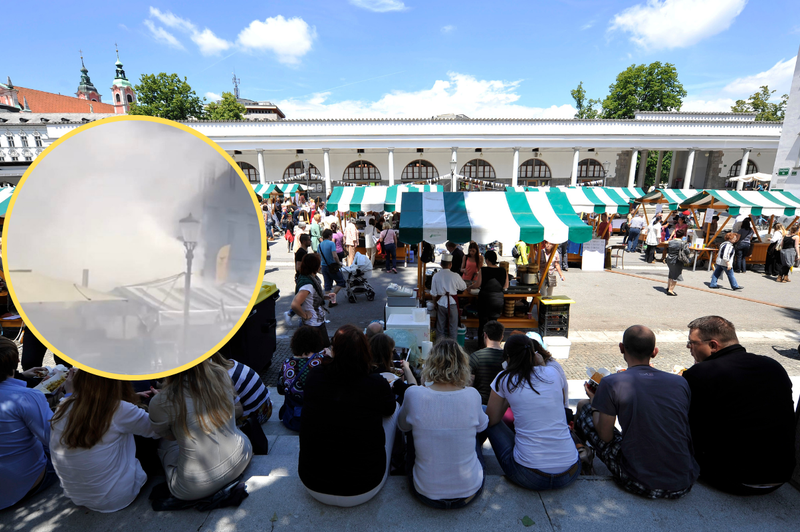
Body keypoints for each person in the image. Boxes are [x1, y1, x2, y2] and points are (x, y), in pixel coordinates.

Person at [574, 325, 698, 499]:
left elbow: (606, 436)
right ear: (654, 352)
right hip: (684, 482)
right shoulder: (679, 382)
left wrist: (595, 401)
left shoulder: (612, 383)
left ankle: (579, 454)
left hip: (639, 482)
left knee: (584, 407)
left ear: (621, 348)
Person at [682, 316, 795, 495]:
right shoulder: (773, 366)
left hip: (735, 477)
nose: (689, 348)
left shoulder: (701, 374)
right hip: (780, 475)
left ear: (713, 345)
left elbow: (687, 426)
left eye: (692, 343)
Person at [299, 325, 397, 507]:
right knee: (393, 408)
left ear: (333, 351)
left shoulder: (314, 376)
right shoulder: (376, 383)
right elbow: (389, 410)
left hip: (313, 482)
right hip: (365, 486)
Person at [49, 370, 159, 512]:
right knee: (146, 427)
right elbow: (158, 431)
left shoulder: (63, 406)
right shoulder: (119, 409)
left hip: (77, 496)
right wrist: (161, 403)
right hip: (117, 498)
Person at [397, 339, 488, 509]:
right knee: (475, 431)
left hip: (425, 493)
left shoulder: (413, 393)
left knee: (411, 429)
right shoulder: (472, 395)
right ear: (463, 365)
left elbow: (402, 427)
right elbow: (483, 429)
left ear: (430, 363)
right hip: (470, 491)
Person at [149, 358, 253, 501]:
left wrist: (162, 403)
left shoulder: (160, 401)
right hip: (242, 456)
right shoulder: (221, 374)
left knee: (165, 445)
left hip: (195, 487)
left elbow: (169, 437)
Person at [486, 334, 580, 491]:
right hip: (569, 471)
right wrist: (542, 366)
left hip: (530, 475)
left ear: (508, 357)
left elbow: (491, 420)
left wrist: (508, 398)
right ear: (534, 354)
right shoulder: (553, 373)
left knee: (484, 411)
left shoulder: (504, 378)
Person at [0, 337, 58, 510]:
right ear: (16, 360)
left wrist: (21, 376)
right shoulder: (27, 397)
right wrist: (70, 397)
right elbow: (55, 441)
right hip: (22, 484)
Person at [278, 326, 328, 431]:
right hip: (320, 415)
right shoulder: (323, 361)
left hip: (295, 416)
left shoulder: (286, 364)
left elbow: (281, 389)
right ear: (317, 342)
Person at [210, 353, 272, 425]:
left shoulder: (225, 378)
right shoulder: (233, 363)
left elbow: (238, 411)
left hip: (256, 416)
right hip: (267, 407)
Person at [291, 253, 332, 347]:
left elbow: (311, 297)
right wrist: (304, 315)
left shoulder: (309, 279)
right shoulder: (308, 285)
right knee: (320, 351)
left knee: (323, 348)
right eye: (319, 264)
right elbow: (294, 305)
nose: (320, 266)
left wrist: (325, 296)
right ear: (315, 266)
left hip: (317, 321)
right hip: (313, 324)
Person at [471, 250, 509, 348]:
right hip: (497, 299)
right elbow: (506, 286)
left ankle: (481, 346)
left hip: (485, 299)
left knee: (482, 323)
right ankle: (494, 346)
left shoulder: (483, 270)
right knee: (494, 323)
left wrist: (470, 287)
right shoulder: (503, 270)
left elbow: (478, 284)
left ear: (487, 260)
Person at [429, 253, 467, 340]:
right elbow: (463, 286)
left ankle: (440, 348)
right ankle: (452, 349)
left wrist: (435, 304)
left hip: (441, 304)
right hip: (452, 304)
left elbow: (434, 294)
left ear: (441, 264)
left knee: (440, 328)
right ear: (450, 265)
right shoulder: (455, 276)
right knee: (453, 329)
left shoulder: (436, 276)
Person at [469, 320, 505, 405]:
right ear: (502, 337)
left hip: (480, 403)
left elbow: (469, 384)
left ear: (485, 335)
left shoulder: (475, 357)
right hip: (502, 405)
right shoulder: (508, 358)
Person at [284, 233, 312, 327]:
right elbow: (298, 267)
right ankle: (292, 315)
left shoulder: (304, 251)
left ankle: (290, 314)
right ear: (304, 241)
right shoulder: (301, 252)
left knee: (304, 300)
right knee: (302, 301)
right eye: (308, 240)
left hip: (304, 277)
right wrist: (308, 272)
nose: (310, 241)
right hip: (302, 278)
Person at [317, 229, 344, 307]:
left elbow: (318, 256)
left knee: (327, 284)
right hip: (332, 266)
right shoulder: (331, 243)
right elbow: (335, 255)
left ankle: (332, 301)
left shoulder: (319, 245)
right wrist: (339, 263)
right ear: (329, 235)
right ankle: (332, 297)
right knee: (341, 281)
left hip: (324, 266)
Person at [665, 228, 690, 297]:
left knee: (671, 273)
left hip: (669, 259)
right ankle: (671, 290)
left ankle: (668, 287)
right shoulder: (682, 243)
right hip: (677, 260)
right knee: (676, 275)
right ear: (682, 235)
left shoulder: (670, 242)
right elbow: (687, 252)